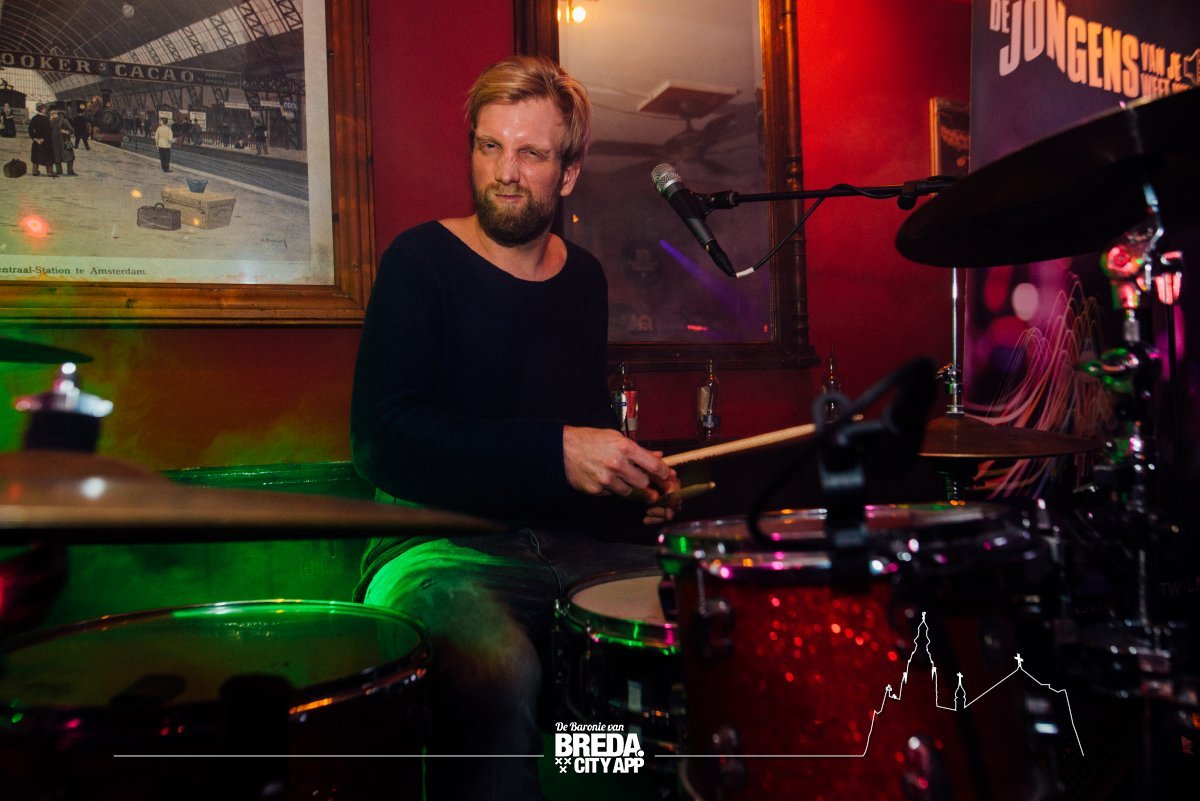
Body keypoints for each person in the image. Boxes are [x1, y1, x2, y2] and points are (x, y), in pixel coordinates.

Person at [350, 55, 680, 801]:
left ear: (568, 174)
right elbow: (379, 438)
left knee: (679, 642)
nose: (504, 172)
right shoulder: (419, 261)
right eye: (489, 146)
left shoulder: (583, 278)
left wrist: (633, 490)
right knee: (499, 671)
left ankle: (593, 783)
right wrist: (556, 451)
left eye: (531, 153)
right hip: (433, 548)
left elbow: (581, 431)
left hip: (570, 543)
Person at [27, 103, 55, 178]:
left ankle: (35, 171)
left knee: (36, 156)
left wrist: (35, 139)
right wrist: (44, 138)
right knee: (48, 156)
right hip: (46, 140)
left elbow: (30, 129)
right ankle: (50, 172)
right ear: (42, 110)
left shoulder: (34, 118)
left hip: (37, 140)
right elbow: (49, 131)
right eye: (44, 109)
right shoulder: (46, 119)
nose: (45, 110)